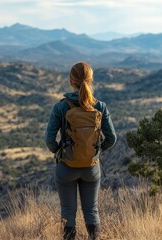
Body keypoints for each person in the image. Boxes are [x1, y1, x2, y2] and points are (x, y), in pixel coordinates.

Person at [44, 62, 117, 240]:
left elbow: (49, 140)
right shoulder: (100, 107)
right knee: (92, 210)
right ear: (90, 81)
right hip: (91, 168)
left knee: (68, 211)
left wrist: (59, 152)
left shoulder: (61, 107)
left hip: (66, 167)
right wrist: (95, 152)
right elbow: (112, 139)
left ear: (71, 81)